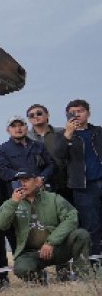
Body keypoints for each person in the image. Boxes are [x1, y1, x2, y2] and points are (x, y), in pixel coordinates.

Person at [0, 170, 91, 281]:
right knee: (21, 268)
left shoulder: (53, 198)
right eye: (19, 181)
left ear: (38, 181)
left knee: (81, 235)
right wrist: (13, 203)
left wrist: (51, 242)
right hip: (32, 253)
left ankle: (82, 276)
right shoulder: (12, 203)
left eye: (26, 180)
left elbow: (72, 218)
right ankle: (41, 279)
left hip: (57, 248)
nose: (22, 184)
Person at [54, 99, 102, 260]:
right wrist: (68, 134)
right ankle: (95, 264)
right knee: (91, 226)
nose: (77, 115)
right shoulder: (63, 135)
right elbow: (59, 156)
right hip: (83, 187)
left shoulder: (98, 131)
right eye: (72, 113)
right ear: (67, 115)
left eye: (80, 111)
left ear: (88, 113)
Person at [0, 114, 55, 189]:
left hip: (43, 189)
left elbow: (51, 165)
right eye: (13, 126)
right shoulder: (1, 149)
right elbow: (3, 171)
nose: (18, 128)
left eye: (21, 125)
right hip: (20, 192)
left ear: (27, 128)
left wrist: (42, 177)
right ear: (8, 130)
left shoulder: (39, 145)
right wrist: (24, 177)